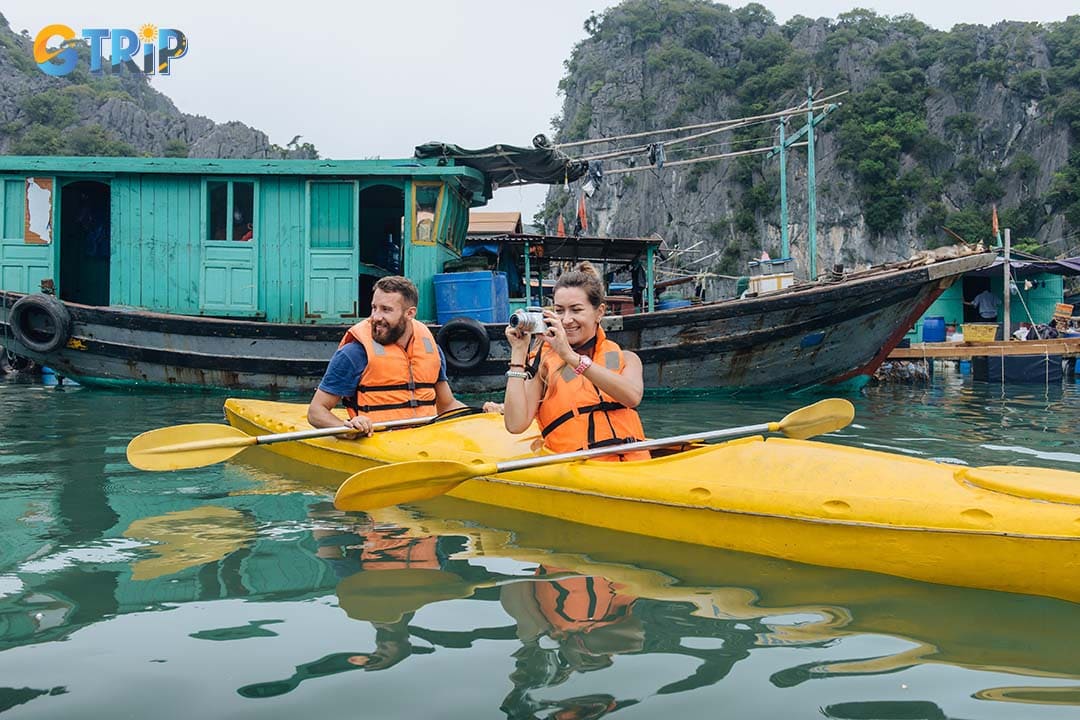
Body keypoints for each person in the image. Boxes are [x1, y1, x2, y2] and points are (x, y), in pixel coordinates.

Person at [501, 261, 649, 461]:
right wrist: (519, 352)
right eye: (559, 310)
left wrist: (570, 357)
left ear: (600, 312)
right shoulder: (543, 366)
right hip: (578, 469)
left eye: (576, 310)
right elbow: (515, 424)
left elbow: (631, 397)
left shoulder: (627, 359)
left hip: (636, 468)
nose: (566, 320)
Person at [308, 275, 465, 436]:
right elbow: (316, 412)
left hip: (425, 439)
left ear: (409, 313)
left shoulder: (432, 350)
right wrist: (348, 429)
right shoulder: (354, 353)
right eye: (374, 308)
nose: (376, 317)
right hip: (377, 441)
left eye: (386, 309)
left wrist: (484, 414)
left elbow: (447, 405)